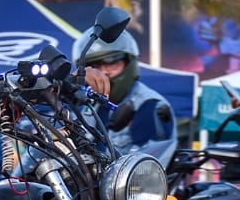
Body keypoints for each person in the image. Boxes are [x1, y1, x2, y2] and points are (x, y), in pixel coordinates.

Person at [72, 27, 176, 164]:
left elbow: (146, 169)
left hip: (125, 184)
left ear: (129, 62)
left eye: (112, 62)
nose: (104, 72)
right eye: (95, 66)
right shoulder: (89, 103)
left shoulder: (149, 105)